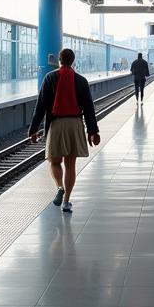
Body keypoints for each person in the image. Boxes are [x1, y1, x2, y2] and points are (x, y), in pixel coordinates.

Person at [28, 47, 100, 213]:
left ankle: (60, 187)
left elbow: (40, 107)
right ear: (73, 61)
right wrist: (93, 131)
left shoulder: (50, 78)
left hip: (56, 124)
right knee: (70, 165)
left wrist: (33, 129)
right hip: (75, 124)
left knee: (54, 161)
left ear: (59, 61)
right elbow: (89, 108)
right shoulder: (81, 80)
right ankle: (66, 201)